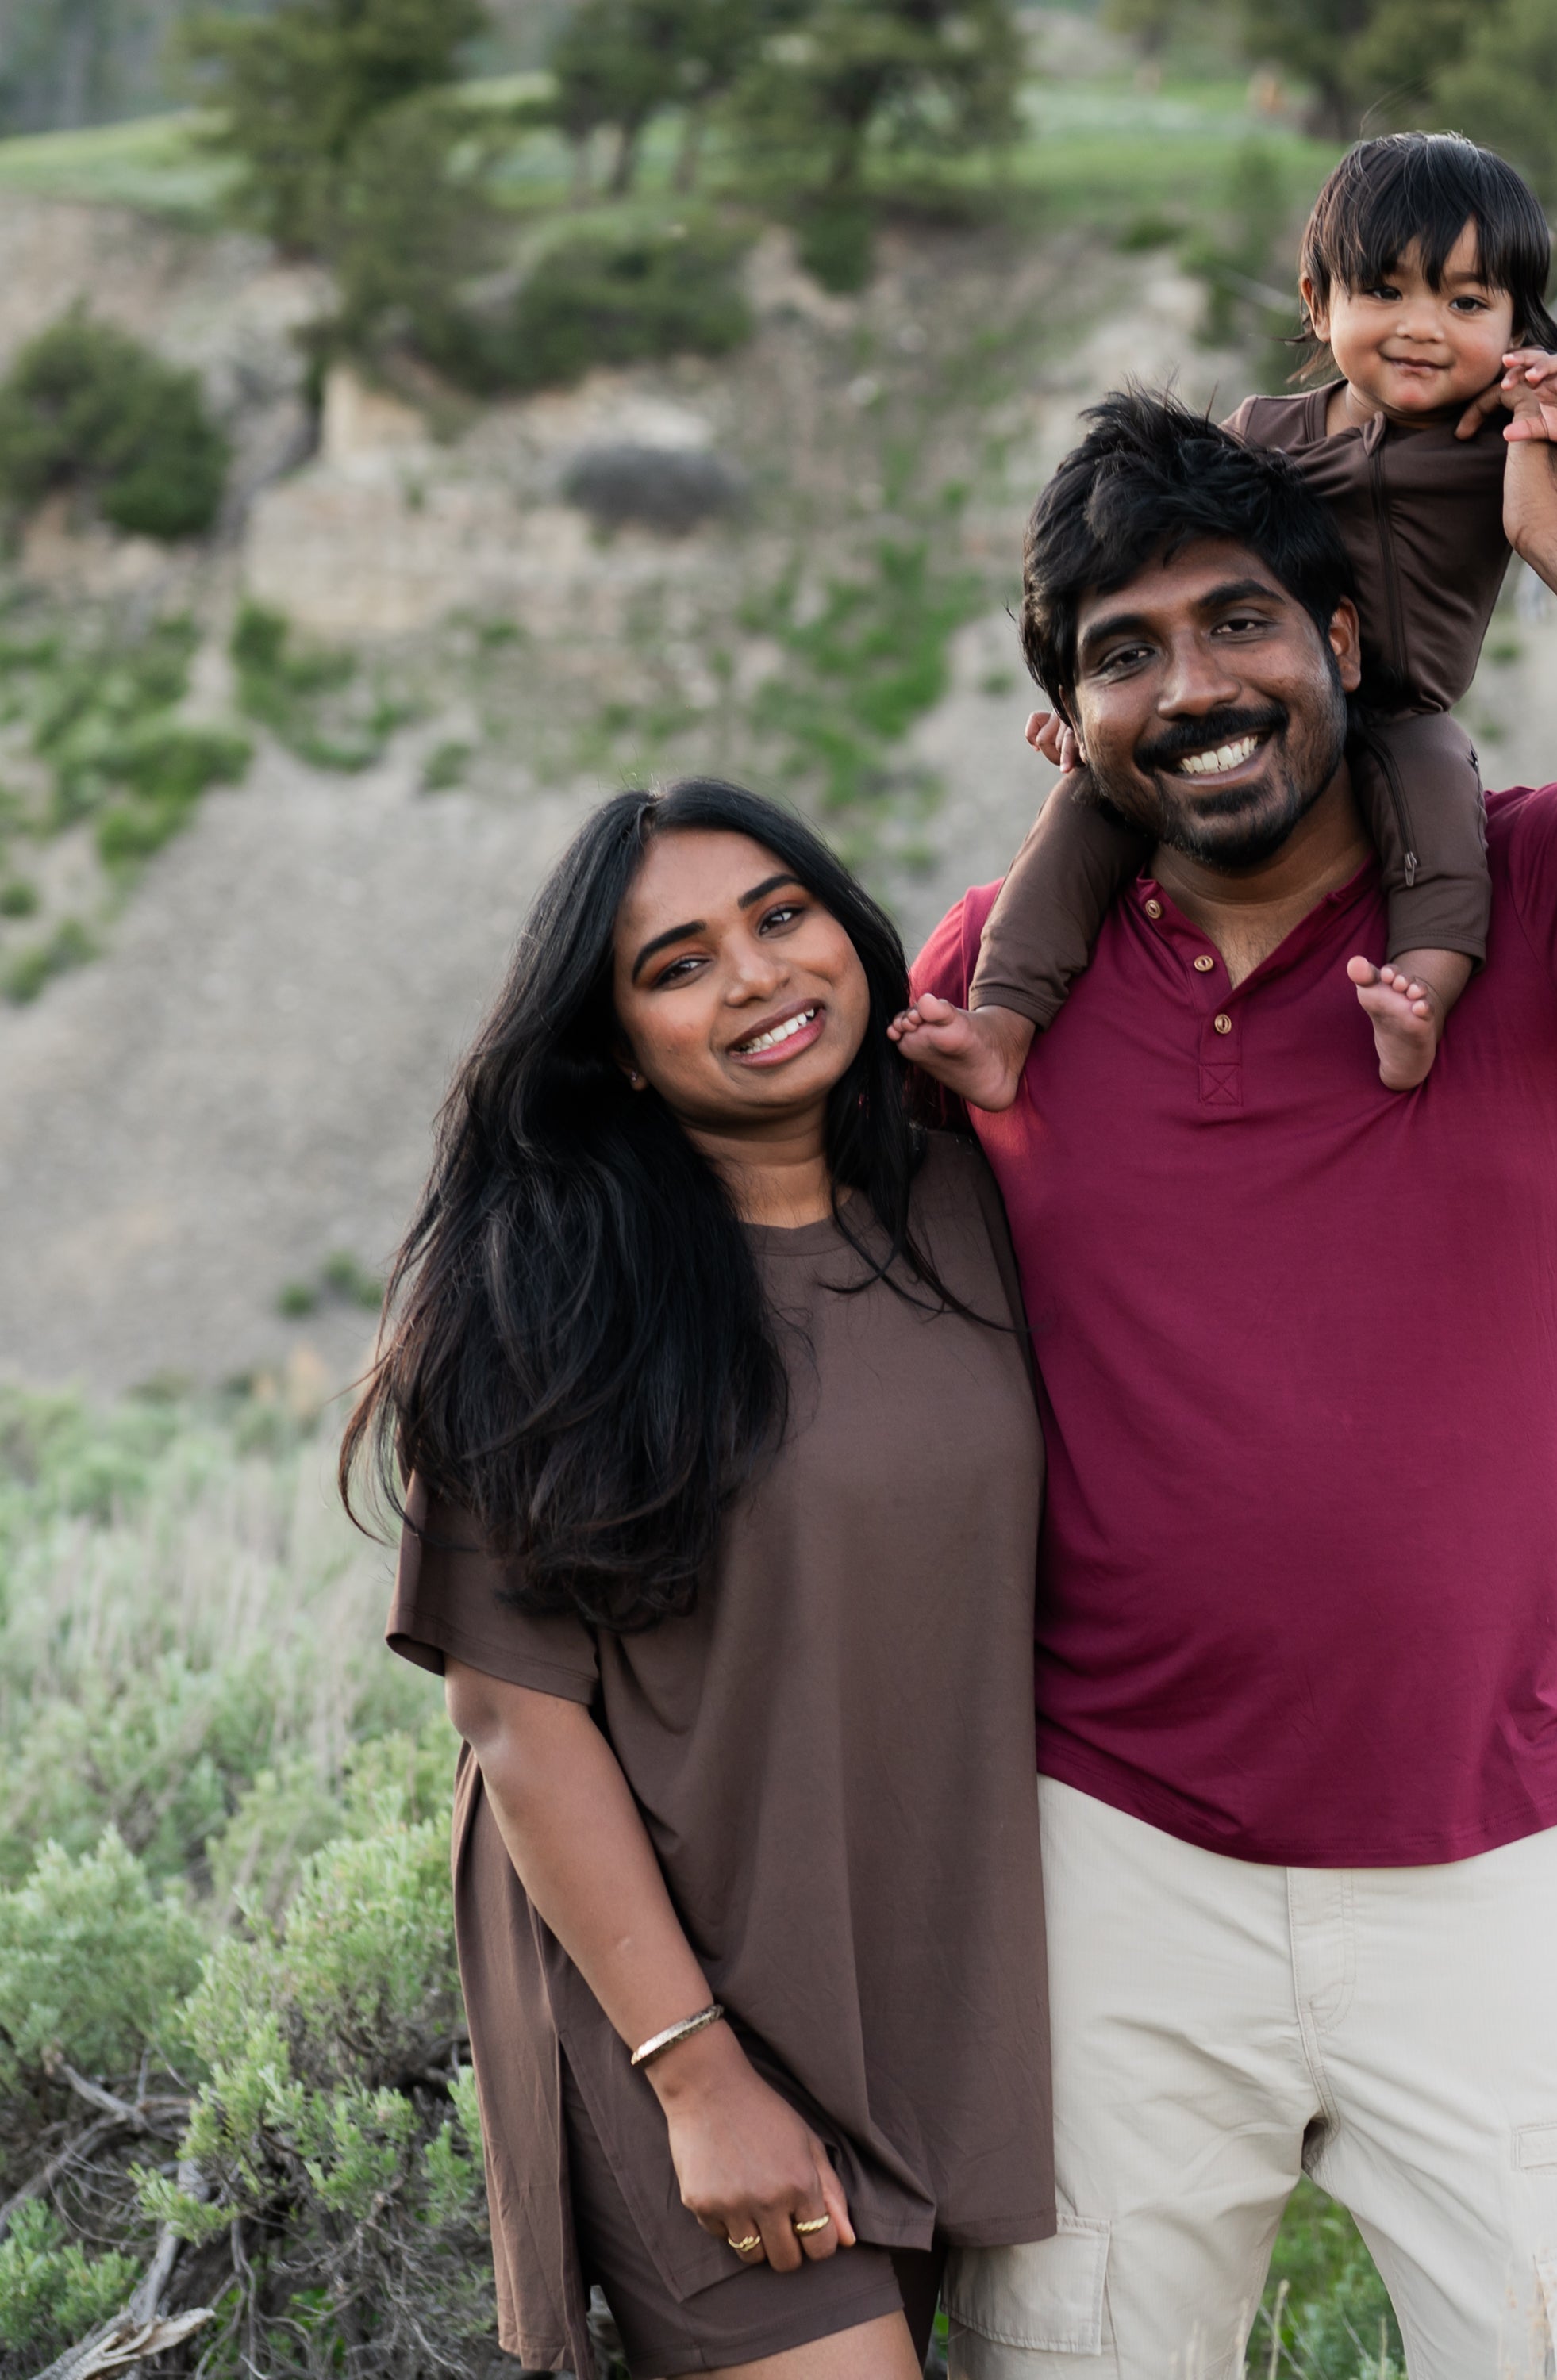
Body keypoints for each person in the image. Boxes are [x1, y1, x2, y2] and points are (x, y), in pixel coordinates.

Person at [891, 390, 1557, 2378]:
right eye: (1125, 654)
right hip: (1112, 1861)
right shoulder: (994, 991)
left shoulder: (1536, 896)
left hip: (1492, 1854)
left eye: (1239, 621)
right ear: (1065, 732)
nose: (1196, 686)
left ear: (1343, 638)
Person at [345, 781, 1053, 2380]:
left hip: (929, 1975)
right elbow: (514, 1717)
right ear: (611, 1042)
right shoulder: (543, 1291)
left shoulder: (963, 1196)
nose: (755, 978)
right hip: (675, 1979)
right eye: (677, 964)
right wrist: (693, 2072)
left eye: (780, 916)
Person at [909, 132, 1557, 1108]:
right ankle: (1001, 1020)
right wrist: (1088, 716)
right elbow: (1136, 576)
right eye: (1385, 292)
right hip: (1268, 702)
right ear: (1318, 302)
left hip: (1401, 708)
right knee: (1080, 819)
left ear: (1517, 325)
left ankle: (1419, 1004)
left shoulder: (1508, 437)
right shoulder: (1258, 436)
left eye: (1466, 302)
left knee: (1443, 817)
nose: (1423, 327)